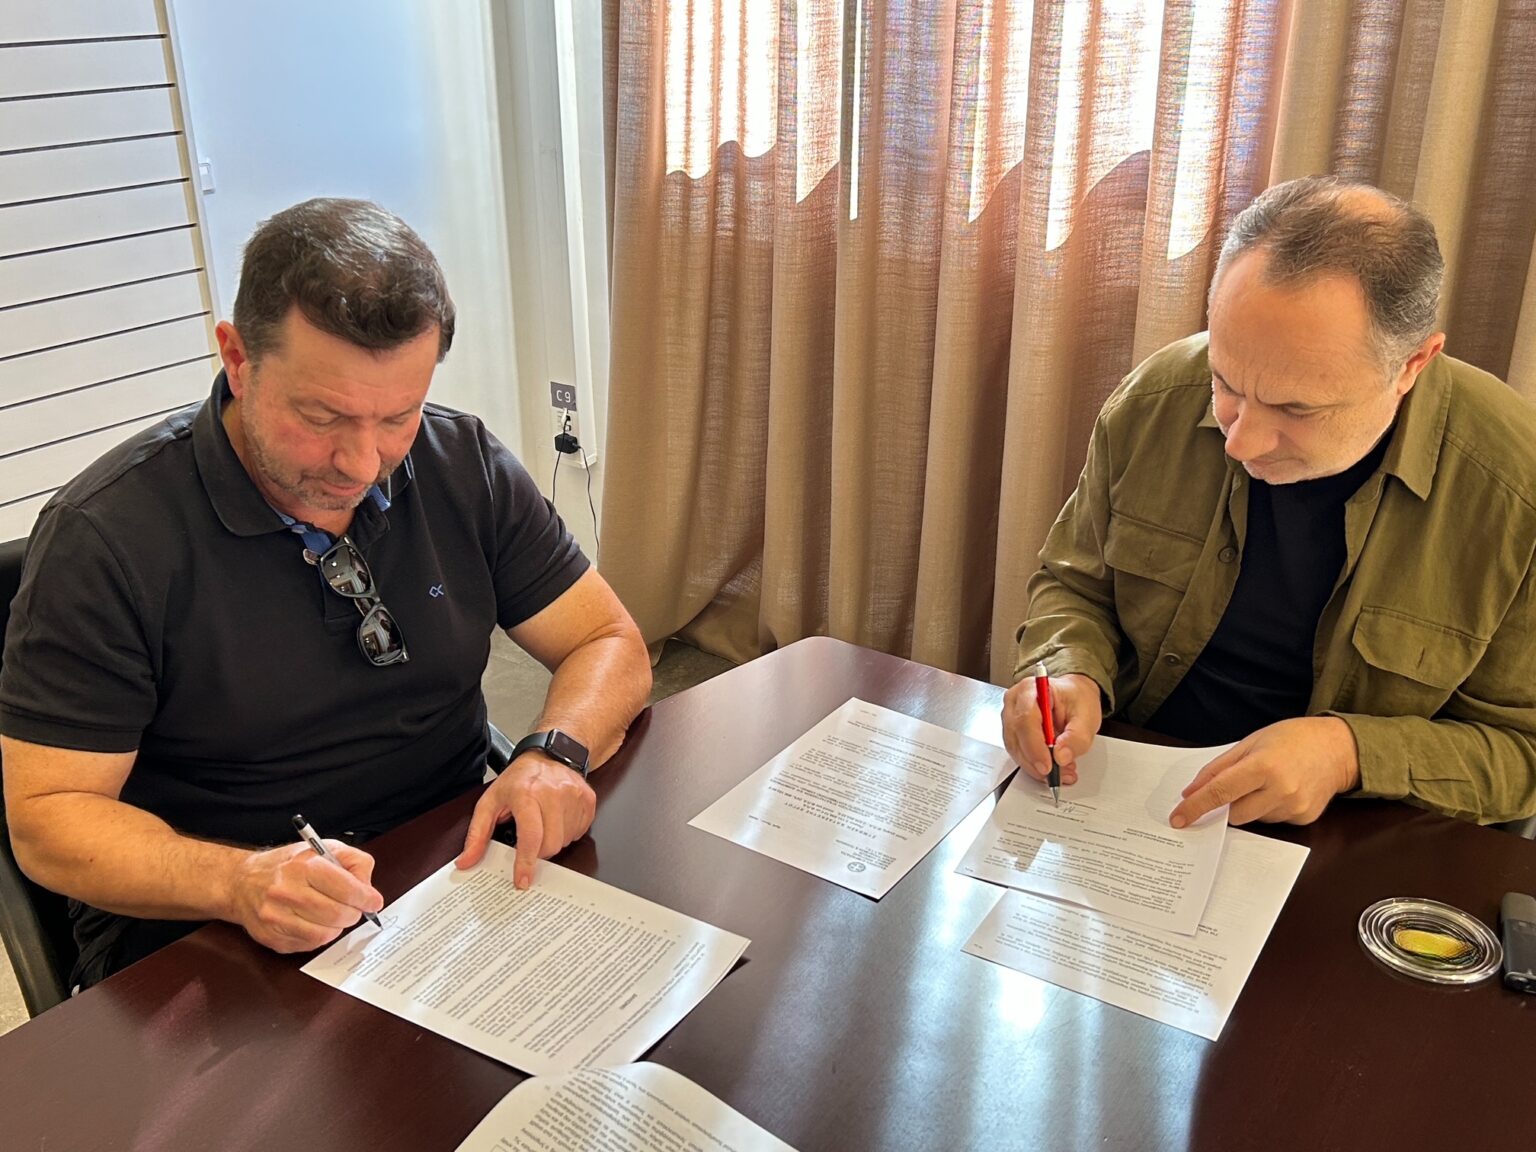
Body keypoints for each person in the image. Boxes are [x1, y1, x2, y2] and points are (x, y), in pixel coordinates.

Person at [0, 199, 651, 988]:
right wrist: (237, 881)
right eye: (322, 416)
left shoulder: (460, 462)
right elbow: (48, 819)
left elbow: (605, 640)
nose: (362, 464)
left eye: (398, 416)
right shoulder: (106, 540)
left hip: (446, 868)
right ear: (237, 359)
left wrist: (556, 752)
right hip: (206, 927)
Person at [1002, 176, 1536, 830]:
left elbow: (1524, 752)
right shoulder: (1155, 401)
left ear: (1411, 365)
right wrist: (1065, 671)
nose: (1240, 441)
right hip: (1134, 789)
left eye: (1296, 408)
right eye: (1225, 381)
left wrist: (1349, 754)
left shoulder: (1515, 491)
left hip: (1358, 833)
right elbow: (1076, 585)